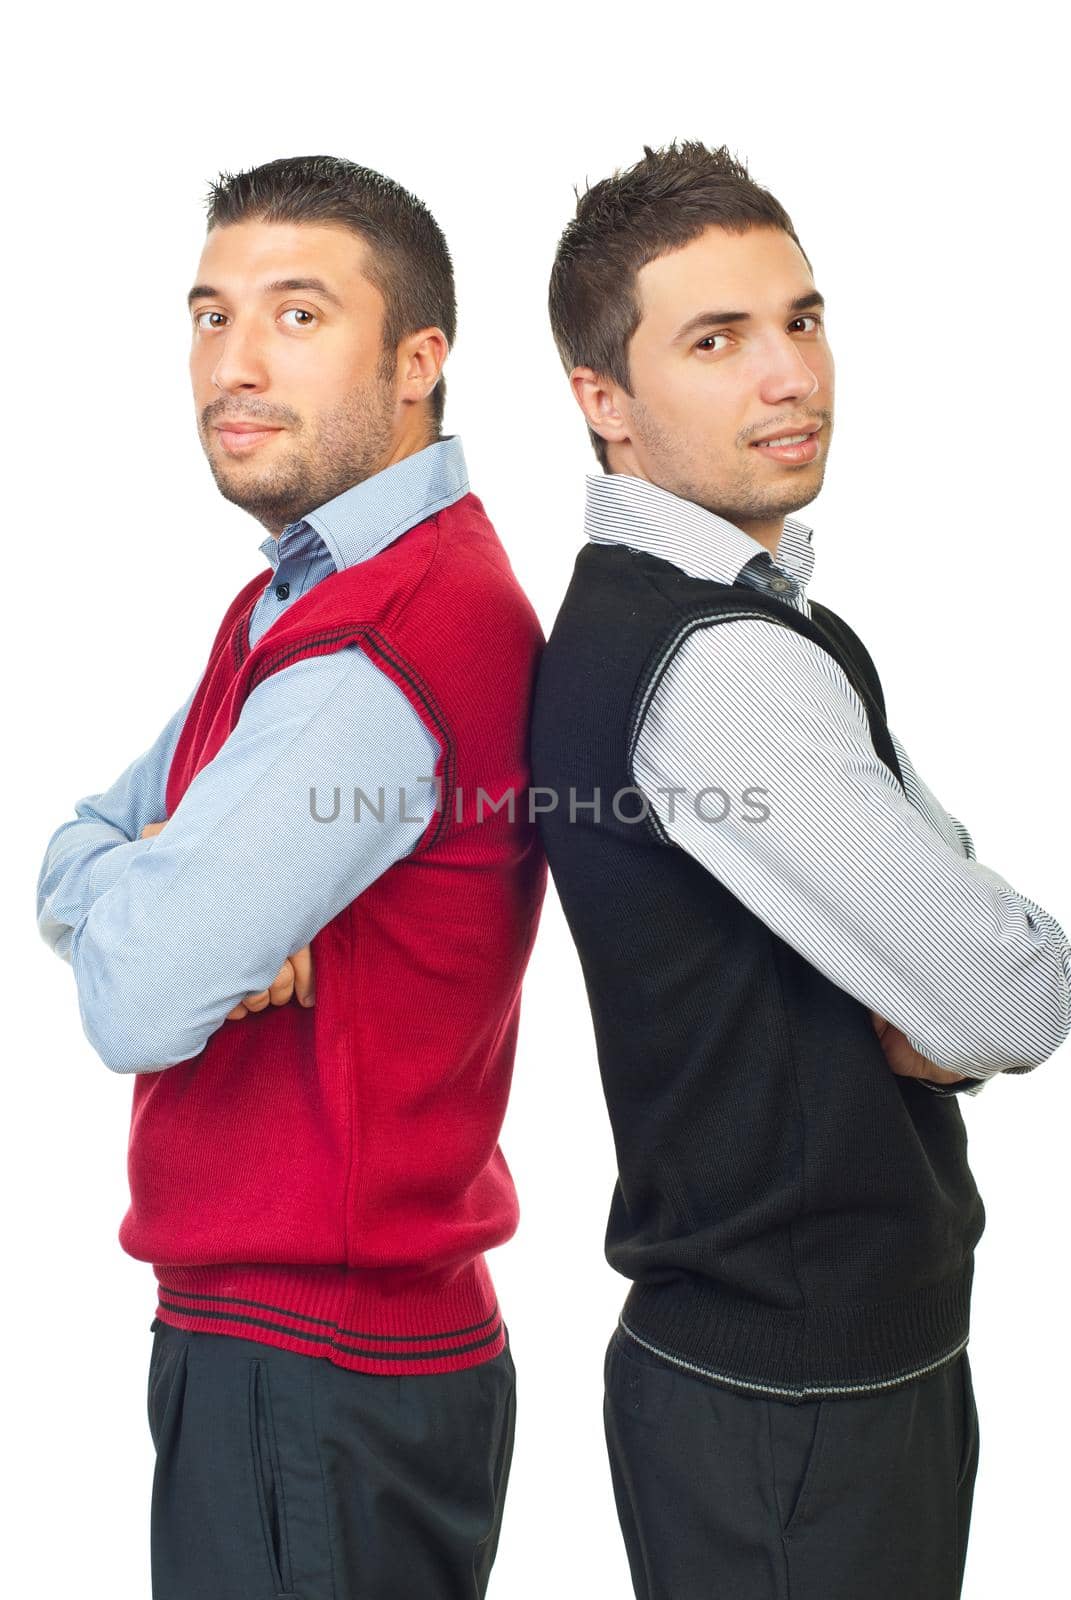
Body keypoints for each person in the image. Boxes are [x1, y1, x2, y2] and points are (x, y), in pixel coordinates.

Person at [530, 140, 1071, 1599]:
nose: (790, 373)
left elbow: (961, 952)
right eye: (718, 340)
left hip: (795, 1380)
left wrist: (945, 992)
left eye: (803, 319)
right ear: (607, 404)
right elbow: (1014, 992)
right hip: (793, 1405)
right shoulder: (716, 670)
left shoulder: (748, 629)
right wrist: (948, 995)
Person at [36, 153, 547, 1600]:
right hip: (321, 1367)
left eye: (298, 314)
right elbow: (76, 842)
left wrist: (159, 904)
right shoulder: (303, 597)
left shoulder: (376, 643)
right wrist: (160, 890)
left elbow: (136, 993)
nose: (233, 363)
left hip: (310, 1371)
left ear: (418, 363)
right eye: (209, 316)